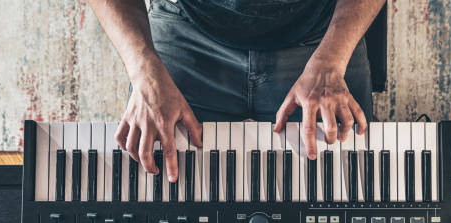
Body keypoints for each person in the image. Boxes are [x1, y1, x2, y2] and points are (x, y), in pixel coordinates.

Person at [88, 0, 385, 181]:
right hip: (186, 29)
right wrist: (144, 71)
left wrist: (332, 60)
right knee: (161, 201)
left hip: (321, 35)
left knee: (339, 203)